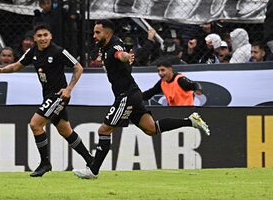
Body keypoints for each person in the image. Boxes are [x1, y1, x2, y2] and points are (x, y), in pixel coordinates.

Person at [73, 20, 210, 179]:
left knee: (104, 130)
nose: (94, 36)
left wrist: (126, 57)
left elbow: (120, 55)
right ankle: (190, 121)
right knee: (151, 129)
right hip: (133, 93)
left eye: (97, 32)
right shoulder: (109, 44)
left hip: (126, 96)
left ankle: (93, 171)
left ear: (107, 33)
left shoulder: (113, 48)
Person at [0, 23, 93, 177]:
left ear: (50, 36)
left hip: (58, 95)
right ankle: (90, 160)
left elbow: (78, 67)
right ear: (34, 39)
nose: (43, 38)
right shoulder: (32, 52)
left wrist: (69, 89)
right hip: (48, 96)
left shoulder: (59, 51)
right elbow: (17, 66)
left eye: (45, 35)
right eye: (39, 36)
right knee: (65, 130)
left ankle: (45, 163)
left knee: (35, 124)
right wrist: (1, 70)